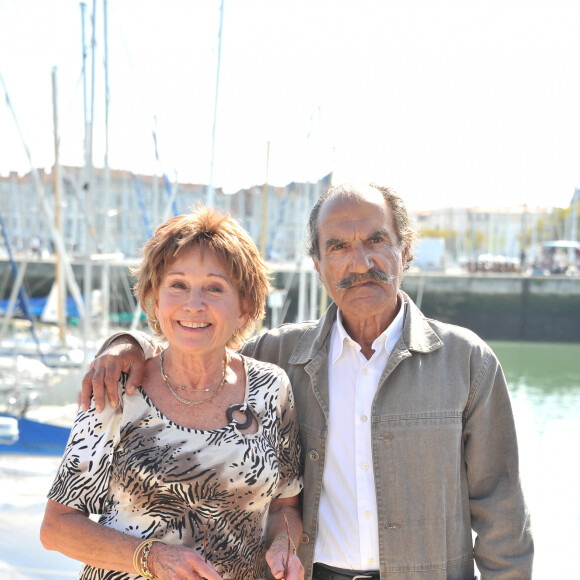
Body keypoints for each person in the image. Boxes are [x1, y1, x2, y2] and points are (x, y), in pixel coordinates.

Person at [82, 183, 534, 580]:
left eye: (376, 240)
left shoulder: (467, 361)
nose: (360, 262)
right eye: (337, 247)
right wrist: (129, 344)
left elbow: (502, 509)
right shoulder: (275, 359)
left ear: (405, 248)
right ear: (317, 264)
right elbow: (194, 345)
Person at [41, 207, 304, 580]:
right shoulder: (116, 388)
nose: (193, 304)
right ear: (155, 298)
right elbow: (57, 528)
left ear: (245, 307)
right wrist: (153, 558)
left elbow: (285, 506)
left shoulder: (270, 389)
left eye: (215, 288)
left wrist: (283, 546)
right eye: (177, 285)